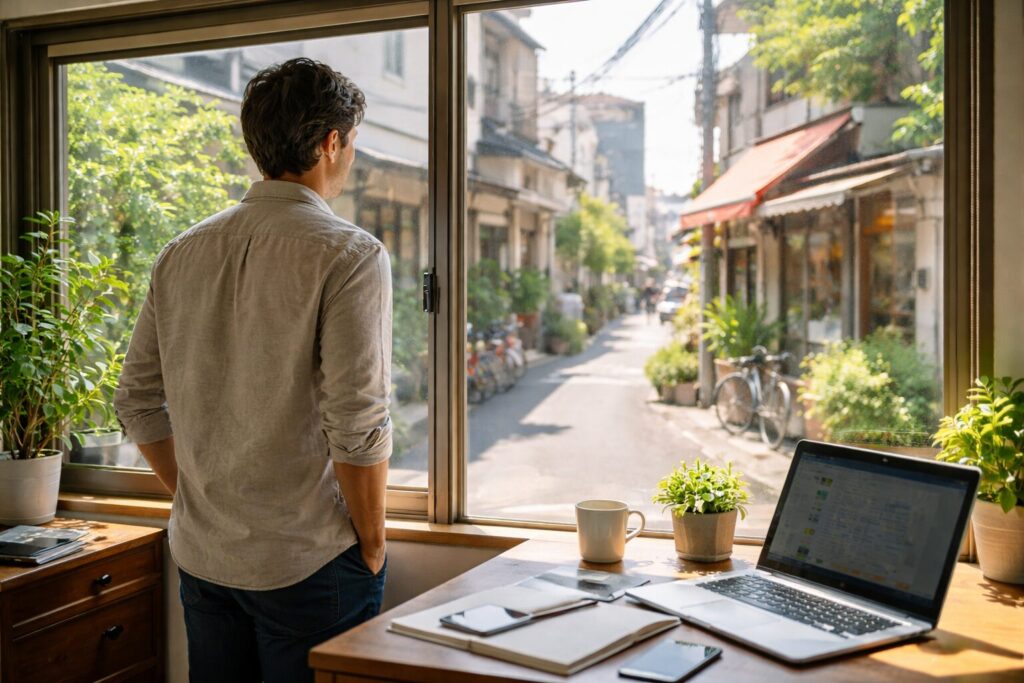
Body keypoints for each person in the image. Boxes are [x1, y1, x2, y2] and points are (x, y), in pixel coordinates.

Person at [114, 58, 392, 683]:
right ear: (330, 143)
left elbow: (135, 400)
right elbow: (357, 421)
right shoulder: (350, 253)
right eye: (350, 143)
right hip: (309, 561)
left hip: (204, 556)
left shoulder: (180, 251)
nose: (349, 158)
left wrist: (196, 496)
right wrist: (372, 544)